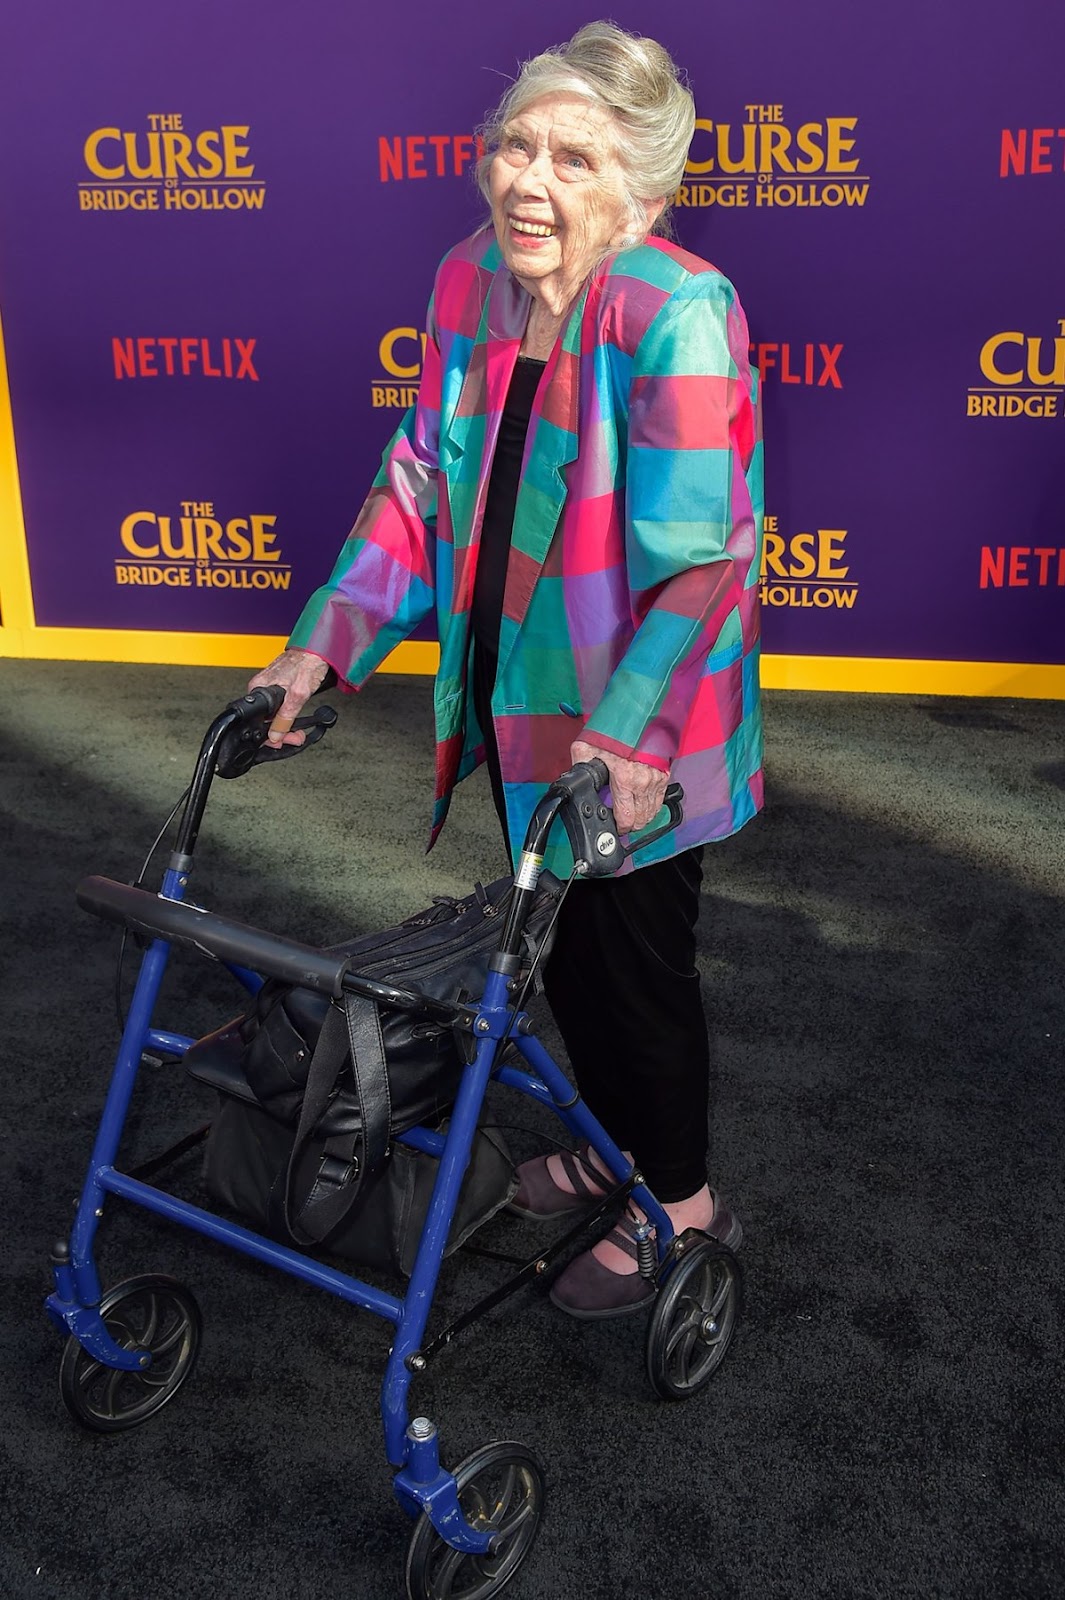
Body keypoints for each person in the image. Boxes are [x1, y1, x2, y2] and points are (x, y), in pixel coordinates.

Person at [250, 22, 763, 1319]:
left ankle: (681, 1203)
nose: (528, 181)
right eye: (514, 147)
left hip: (640, 727)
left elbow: (702, 562)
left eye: (573, 160)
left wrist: (630, 737)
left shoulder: (677, 310)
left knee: (634, 974)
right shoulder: (469, 278)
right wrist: (323, 645)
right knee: (558, 954)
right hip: (516, 702)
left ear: (642, 193)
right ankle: (614, 1150)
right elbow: (419, 481)